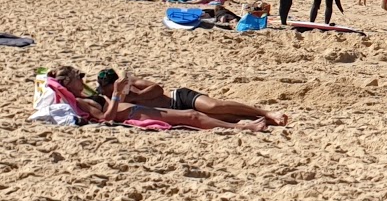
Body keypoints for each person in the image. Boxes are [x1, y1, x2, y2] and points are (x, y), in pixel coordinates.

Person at [46, 66, 271, 132]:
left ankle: (257, 117)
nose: (82, 80)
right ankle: (242, 127)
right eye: (78, 77)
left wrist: (131, 94)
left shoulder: (85, 94)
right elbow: (106, 118)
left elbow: (157, 87)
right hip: (134, 113)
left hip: (174, 98)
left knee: (213, 108)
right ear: (70, 84)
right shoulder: (84, 101)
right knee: (194, 116)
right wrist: (115, 94)